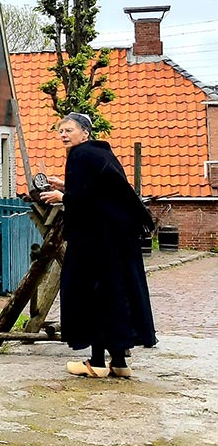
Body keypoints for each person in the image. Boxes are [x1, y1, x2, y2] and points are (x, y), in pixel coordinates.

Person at [38, 112, 157, 379]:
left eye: (68, 130)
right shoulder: (103, 154)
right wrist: (68, 186)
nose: (63, 135)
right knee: (118, 294)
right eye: (60, 131)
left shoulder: (79, 156)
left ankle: (97, 363)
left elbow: (84, 201)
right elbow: (104, 193)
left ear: (85, 133)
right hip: (121, 242)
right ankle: (119, 362)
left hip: (96, 244)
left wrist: (62, 196)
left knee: (92, 295)